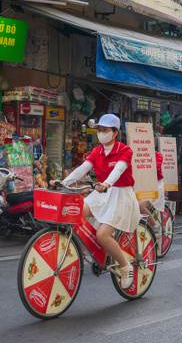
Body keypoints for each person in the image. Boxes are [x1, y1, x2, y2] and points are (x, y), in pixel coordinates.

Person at [49, 114, 136, 290]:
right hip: (101, 193)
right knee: (75, 211)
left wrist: (107, 183)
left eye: (105, 130)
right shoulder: (97, 151)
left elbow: (119, 169)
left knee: (102, 235)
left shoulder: (125, 150)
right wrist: (64, 182)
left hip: (120, 195)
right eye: (100, 130)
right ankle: (87, 250)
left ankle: (126, 266)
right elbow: (83, 169)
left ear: (115, 133)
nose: (101, 133)